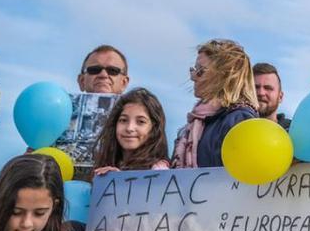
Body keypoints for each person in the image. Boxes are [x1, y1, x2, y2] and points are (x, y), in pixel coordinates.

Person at [172, 39, 258, 168]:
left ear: (226, 76)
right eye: (193, 69)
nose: (193, 77)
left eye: (201, 70)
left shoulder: (239, 120)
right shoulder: (195, 123)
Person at [54, 45, 130, 181]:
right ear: (81, 81)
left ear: (124, 82)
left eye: (113, 71)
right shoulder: (56, 112)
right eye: (94, 70)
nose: (103, 75)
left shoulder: (139, 119)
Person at [92, 88, 170, 176]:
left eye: (141, 122)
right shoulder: (104, 166)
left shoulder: (159, 170)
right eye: (123, 120)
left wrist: (120, 180)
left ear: (154, 128)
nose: (129, 128)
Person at [252, 62, 290, 129]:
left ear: (280, 97)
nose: (261, 93)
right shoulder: (232, 127)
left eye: (268, 88)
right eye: (256, 87)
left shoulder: (294, 133)